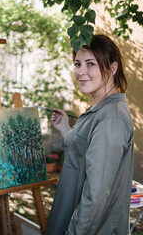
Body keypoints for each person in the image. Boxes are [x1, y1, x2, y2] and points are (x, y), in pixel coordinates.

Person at [44, 34, 134, 235]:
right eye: (77, 64)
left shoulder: (111, 118)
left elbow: (96, 195)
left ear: (112, 69)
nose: (81, 72)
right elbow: (84, 156)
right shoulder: (100, 110)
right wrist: (66, 130)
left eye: (90, 64)